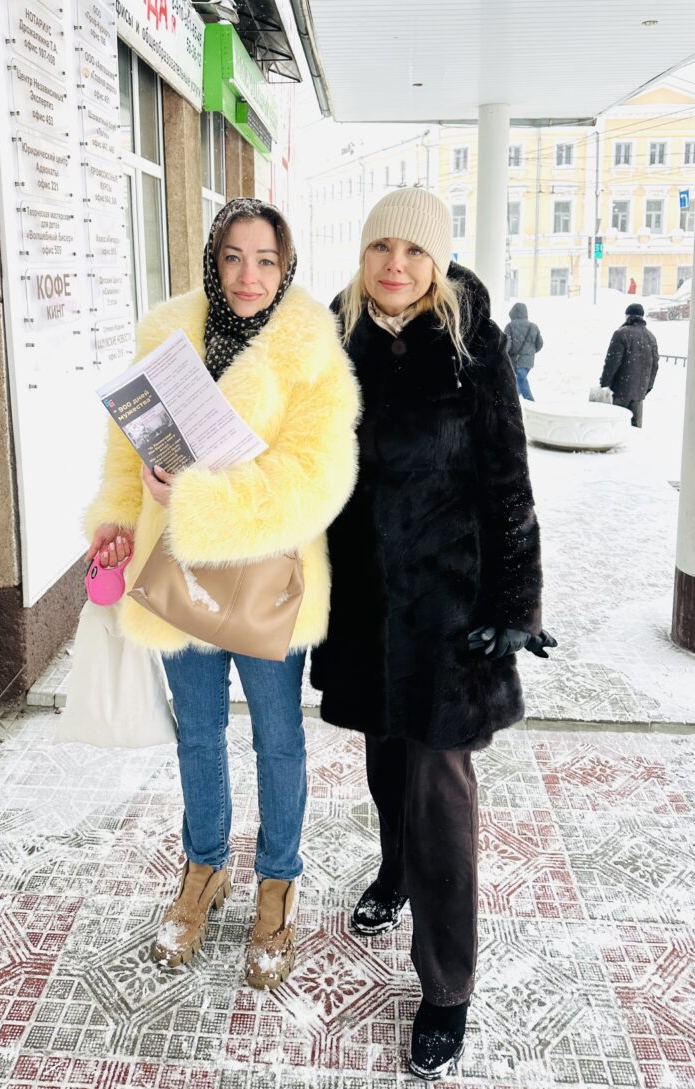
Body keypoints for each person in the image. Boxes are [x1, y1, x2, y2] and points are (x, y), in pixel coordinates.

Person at [310, 188, 555, 1080]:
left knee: (440, 790)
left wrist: (514, 606)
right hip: (365, 603)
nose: (397, 264)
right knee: (385, 761)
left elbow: (509, 482)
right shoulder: (337, 339)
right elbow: (305, 458)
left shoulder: (472, 345)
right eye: (383, 246)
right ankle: (395, 873)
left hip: (450, 613)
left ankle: (447, 985)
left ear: (438, 262)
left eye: (416, 250)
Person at [85, 198, 360, 990]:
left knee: (278, 739)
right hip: (176, 573)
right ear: (213, 259)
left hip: (267, 579)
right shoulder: (167, 338)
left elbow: (317, 478)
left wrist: (199, 499)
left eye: (265, 259)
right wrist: (117, 520)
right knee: (199, 735)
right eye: (233, 256)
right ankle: (203, 868)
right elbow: (125, 456)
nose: (248, 275)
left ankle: (278, 882)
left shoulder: (310, 349)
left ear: (286, 266)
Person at [600, 302, 659, 428]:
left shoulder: (621, 333)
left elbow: (612, 362)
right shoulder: (651, 337)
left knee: (616, 427)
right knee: (635, 429)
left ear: (628, 316)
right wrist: (647, 388)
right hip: (639, 392)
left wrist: (604, 383)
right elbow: (655, 366)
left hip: (620, 390)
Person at [503, 302, 543, 401]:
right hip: (528, 362)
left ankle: (529, 400)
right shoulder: (533, 326)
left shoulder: (510, 326)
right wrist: (530, 353)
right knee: (519, 379)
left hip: (515, 360)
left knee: (520, 379)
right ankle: (514, 400)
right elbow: (540, 344)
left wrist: (504, 354)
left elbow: (506, 344)